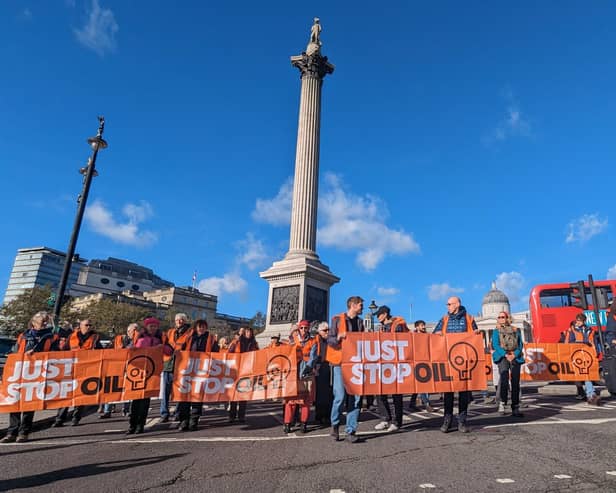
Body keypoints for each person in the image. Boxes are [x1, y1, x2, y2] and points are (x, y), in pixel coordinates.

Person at [1, 311, 54, 443]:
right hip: (20, 373)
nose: (45, 324)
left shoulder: (51, 337)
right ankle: (11, 432)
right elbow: (15, 353)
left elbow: (55, 354)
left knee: (29, 404)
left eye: (46, 322)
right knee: (15, 403)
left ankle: (24, 432)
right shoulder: (23, 336)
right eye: (43, 322)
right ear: (34, 323)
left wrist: (37, 354)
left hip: (36, 374)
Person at [433, 296, 480, 433]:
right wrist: (438, 334)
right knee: (448, 393)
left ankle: (462, 421)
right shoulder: (444, 319)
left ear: (457, 304)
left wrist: (476, 333)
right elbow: (434, 335)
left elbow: (475, 336)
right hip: (448, 360)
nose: (447, 306)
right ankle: (447, 420)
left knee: (464, 393)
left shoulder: (469, 319)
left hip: (464, 361)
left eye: (449, 304)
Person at [327, 296, 364, 443]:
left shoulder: (361, 323)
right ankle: (335, 425)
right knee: (340, 396)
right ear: (353, 305)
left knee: (356, 398)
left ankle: (351, 431)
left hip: (355, 363)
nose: (362, 307)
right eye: (361, 305)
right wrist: (338, 337)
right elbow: (329, 339)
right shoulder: (337, 319)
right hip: (339, 363)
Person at [54, 318, 102, 427]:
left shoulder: (95, 337)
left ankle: (76, 418)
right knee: (66, 394)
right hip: (72, 368)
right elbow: (65, 350)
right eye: (86, 325)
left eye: (90, 325)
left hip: (86, 369)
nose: (89, 327)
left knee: (81, 395)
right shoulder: (72, 336)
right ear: (80, 326)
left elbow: (100, 352)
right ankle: (59, 419)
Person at [127, 317, 169, 434]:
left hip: (152, 373)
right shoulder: (139, 337)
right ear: (146, 326)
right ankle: (132, 424)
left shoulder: (160, 338)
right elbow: (130, 349)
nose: (153, 328)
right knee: (136, 400)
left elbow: (169, 351)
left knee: (145, 401)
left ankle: (140, 425)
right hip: (138, 372)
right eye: (151, 326)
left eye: (155, 326)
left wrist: (162, 347)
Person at [176, 319, 219, 432]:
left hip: (201, 371)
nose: (202, 329)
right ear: (196, 327)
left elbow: (216, 352)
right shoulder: (189, 336)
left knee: (197, 398)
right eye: (200, 326)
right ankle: (183, 421)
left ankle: (194, 421)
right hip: (187, 370)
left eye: (204, 327)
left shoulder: (210, 338)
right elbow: (180, 348)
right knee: (184, 397)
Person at [372, 306, 407, 432]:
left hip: (395, 364)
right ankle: (385, 418)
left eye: (379, 315)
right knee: (379, 392)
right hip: (383, 363)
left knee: (396, 394)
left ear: (385, 314)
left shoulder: (397, 326)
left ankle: (397, 422)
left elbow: (401, 342)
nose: (377, 317)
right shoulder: (381, 328)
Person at [100, 323, 141, 419]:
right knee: (111, 389)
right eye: (134, 330)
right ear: (128, 331)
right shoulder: (120, 339)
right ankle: (107, 410)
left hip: (130, 368)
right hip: (116, 367)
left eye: (137, 330)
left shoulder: (138, 341)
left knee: (128, 389)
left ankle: (126, 409)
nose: (136, 332)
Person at [283, 320, 315, 434]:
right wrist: (291, 332)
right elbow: (287, 352)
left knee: (305, 401)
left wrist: (307, 369)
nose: (303, 330)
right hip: (293, 372)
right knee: (290, 401)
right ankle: (287, 423)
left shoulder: (312, 341)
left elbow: (313, 357)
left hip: (306, 373)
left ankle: (304, 423)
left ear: (308, 329)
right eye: (301, 328)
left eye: (306, 328)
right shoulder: (293, 340)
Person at [160, 313, 192, 422]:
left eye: (181, 319)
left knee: (179, 392)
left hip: (181, 366)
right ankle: (164, 413)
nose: (179, 321)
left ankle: (178, 412)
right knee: (165, 392)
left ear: (185, 321)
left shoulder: (190, 333)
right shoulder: (170, 332)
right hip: (168, 365)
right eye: (177, 319)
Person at [492, 311, 524, 417]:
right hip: (503, 357)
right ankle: (502, 403)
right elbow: (495, 345)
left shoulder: (515, 329)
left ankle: (515, 406)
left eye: (503, 317)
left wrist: (514, 355)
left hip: (515, 357)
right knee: (504, 380)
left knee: (515, 382)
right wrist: (506, 355)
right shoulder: (496, 331)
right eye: (499, 317)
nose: (501, 319)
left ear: (507, 318)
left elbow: (520, 345)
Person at [566, 313, 601, 405]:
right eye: (577, 320)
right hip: (577, 356)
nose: (578, 322)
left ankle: (590, 395)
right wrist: (583, 343)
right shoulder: (572, 330)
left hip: (587, 355)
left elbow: (594, 342)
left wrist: (596, 352)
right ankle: (590, 394)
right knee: (585, 376)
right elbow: (570, 343)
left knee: (587, 375)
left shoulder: (590, 330)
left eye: (580, 321)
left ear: (584, 321)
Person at [227, 327, 259, 423]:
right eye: (247, 332)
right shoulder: (236, 342)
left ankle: (241, 416)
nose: (249, 333)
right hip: (236, 370)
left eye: (250, 332)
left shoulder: (254, 344)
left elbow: (258, 355)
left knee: (243, 394)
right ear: (244, 333)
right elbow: (229, 353)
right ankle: (232, 416)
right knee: (234, 394)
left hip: (247, 371)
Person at [306, 321, 333, 426]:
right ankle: (319, 416)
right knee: (320, 394)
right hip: (319, 368)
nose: (327, 332)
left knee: (330, 393)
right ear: (319, 331)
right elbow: (312, 355)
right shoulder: (315, 341)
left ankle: (328, 416)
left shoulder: (332, 340)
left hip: (330, 367)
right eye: (324, 330)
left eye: (328, 330)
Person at [408, 319, 435, 412]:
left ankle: (412, 403)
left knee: (420, 384)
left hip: (426, 361)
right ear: (416, 327)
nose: (423, 327)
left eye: (424, 325)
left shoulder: (427, 336)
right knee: (422, 384)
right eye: (421, 325)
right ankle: (427, 404)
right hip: (416, 362)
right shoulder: (412, 336)